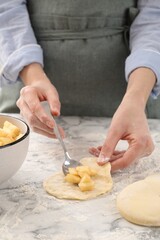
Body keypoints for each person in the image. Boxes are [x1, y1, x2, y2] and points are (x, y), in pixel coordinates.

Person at [0, 0, 159, 172]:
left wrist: (136, 98)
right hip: (26, 79)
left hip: (135, 85)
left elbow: (155, 17)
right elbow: (6, 9)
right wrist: (34, 79)